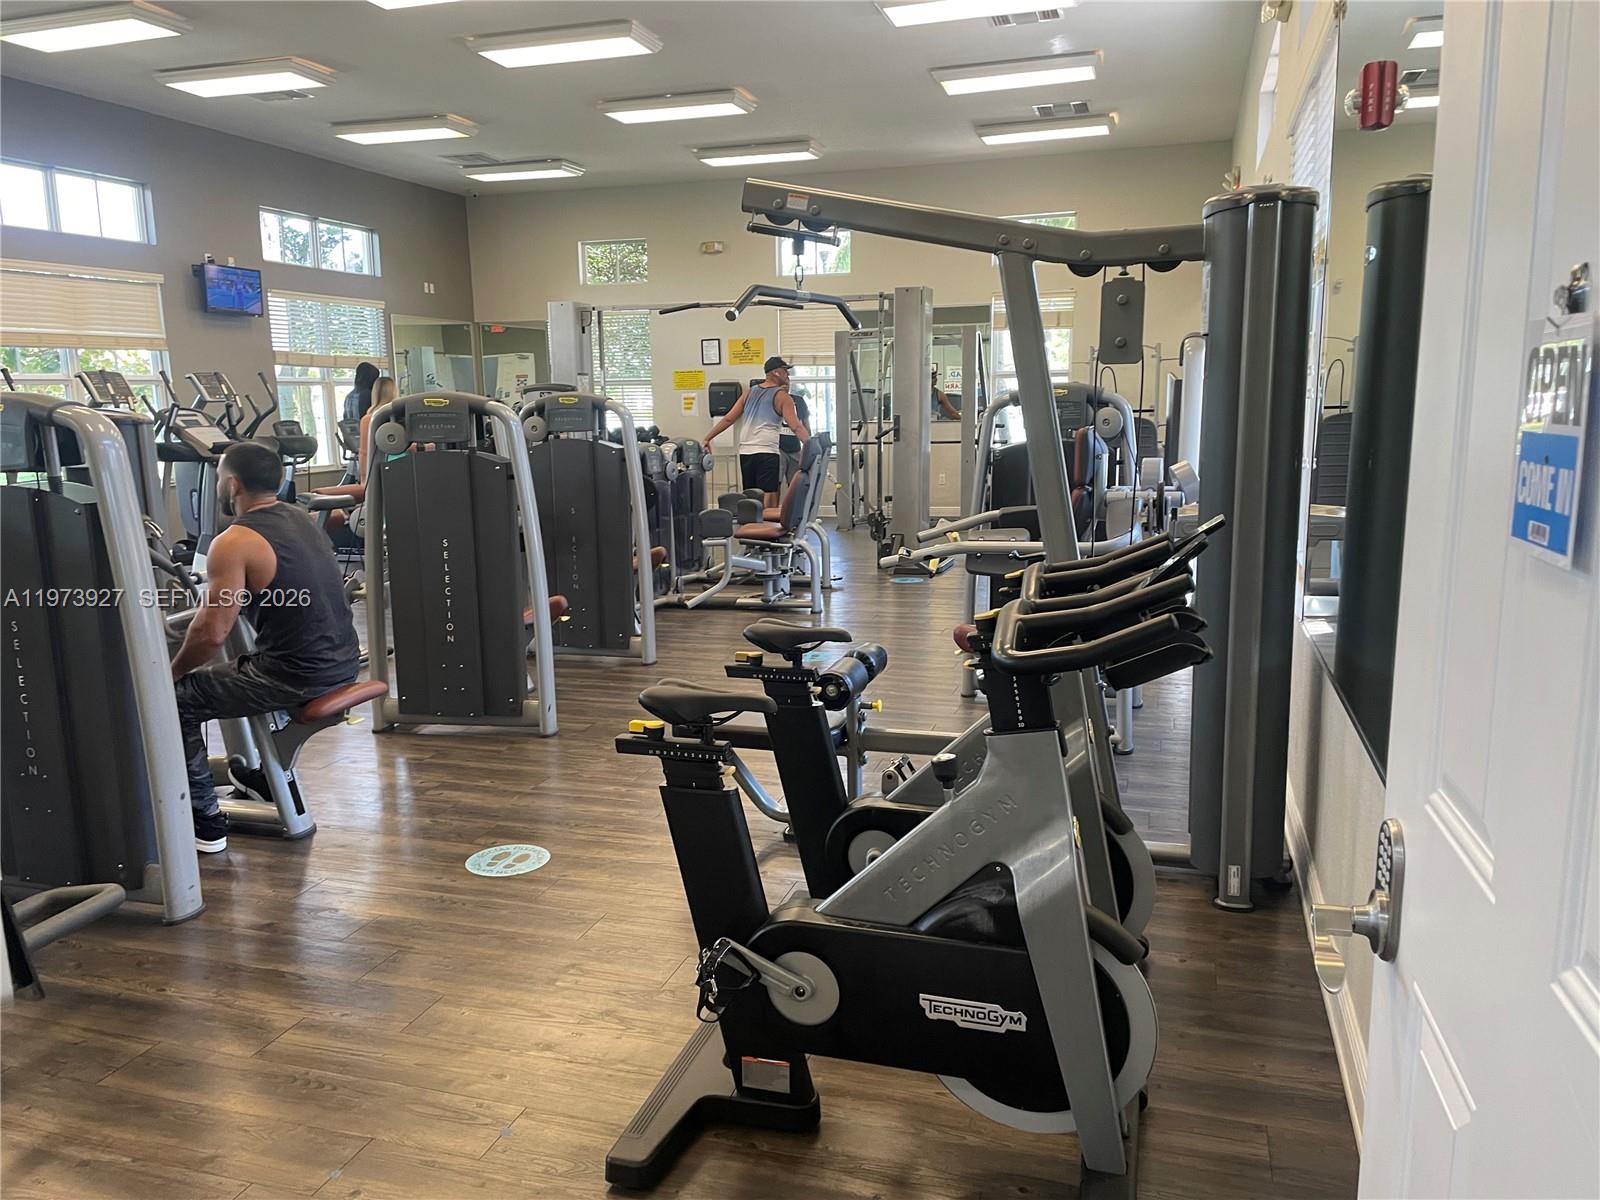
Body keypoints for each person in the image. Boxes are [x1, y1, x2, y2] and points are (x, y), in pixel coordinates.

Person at [170, 441, 362, 852]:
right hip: (343, 662)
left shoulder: (233, 541)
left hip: (294, 676)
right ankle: (261, 779)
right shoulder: (301, 518)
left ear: (232, 484)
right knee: (236, 669)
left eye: (219, 478)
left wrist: (171, 673)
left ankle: (204, 820)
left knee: (174, 700)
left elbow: (211, 634)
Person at [702, 356, 811, 507]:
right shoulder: (782, 397)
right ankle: (767, 523)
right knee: (768, 501)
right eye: (785, 371)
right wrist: (812, 446)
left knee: (752, 499)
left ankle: (753, 522)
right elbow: (796, 426)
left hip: (746, 453)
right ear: (776, 373)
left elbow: (728, 419)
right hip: (766, 453)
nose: (788, 375)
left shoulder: (749, 392)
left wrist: (707, 438)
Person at [314, 376, 396, 534]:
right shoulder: (386, 418)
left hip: (384, 474)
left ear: (375, 393)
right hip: (390, 473)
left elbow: (363, 453)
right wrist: (365, 482)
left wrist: (364, 479)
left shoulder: (369, 418)